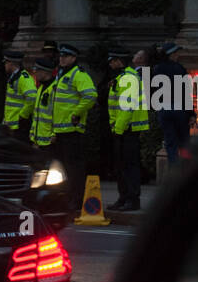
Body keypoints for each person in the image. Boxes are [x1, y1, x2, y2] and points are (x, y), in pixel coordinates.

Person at [51, 44, 98, 210]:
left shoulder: (78, 74)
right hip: (61, 129)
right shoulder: (62, 74)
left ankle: (76, 200)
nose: (62, 58)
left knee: (74, 168)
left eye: (66, 56)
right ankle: (68, 197)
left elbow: (91, 95)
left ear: (74, 58)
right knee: (64, 168)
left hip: (72, 129)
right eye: (61, 56)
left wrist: (76, 113)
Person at [107, 47, 149, 211]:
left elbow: (126, 108)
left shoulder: (128, 78)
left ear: (119, 61)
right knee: (121, 166)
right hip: (122, 128)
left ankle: (132, 200)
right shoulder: (122, 77)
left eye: (112, 60)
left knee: (129, 167)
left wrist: (117, 129)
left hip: (127, 129)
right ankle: (124, 198)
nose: (110, 64)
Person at [153, 42, 191, 166]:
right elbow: (186, 92)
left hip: (164, 109)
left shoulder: (157, 69)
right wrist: (191, 113)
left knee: (170, 144)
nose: (177, 55)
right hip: (179, 109)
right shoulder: (179, 69)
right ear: (171, 54)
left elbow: (153, 91)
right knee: (184, 143)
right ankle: (186, 172)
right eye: (175, 53)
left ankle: (174, 173)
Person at [28, 55, 59, 162]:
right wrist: (33, 137)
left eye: (36, 70)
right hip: (39, 141)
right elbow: (37, 115)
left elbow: (58, 113)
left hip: (50, 142)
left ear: (45, 72)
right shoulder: (41, 88)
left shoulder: (55, 89)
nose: (34, 73)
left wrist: (54, 134)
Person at [2, 50, 36, 141]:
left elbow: (32, 96)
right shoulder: (13, 77)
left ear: (11, 63)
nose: (5, 65)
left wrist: (23, 115)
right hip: (12, 125)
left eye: (6, 62)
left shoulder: (23, 78)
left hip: (19, 126)